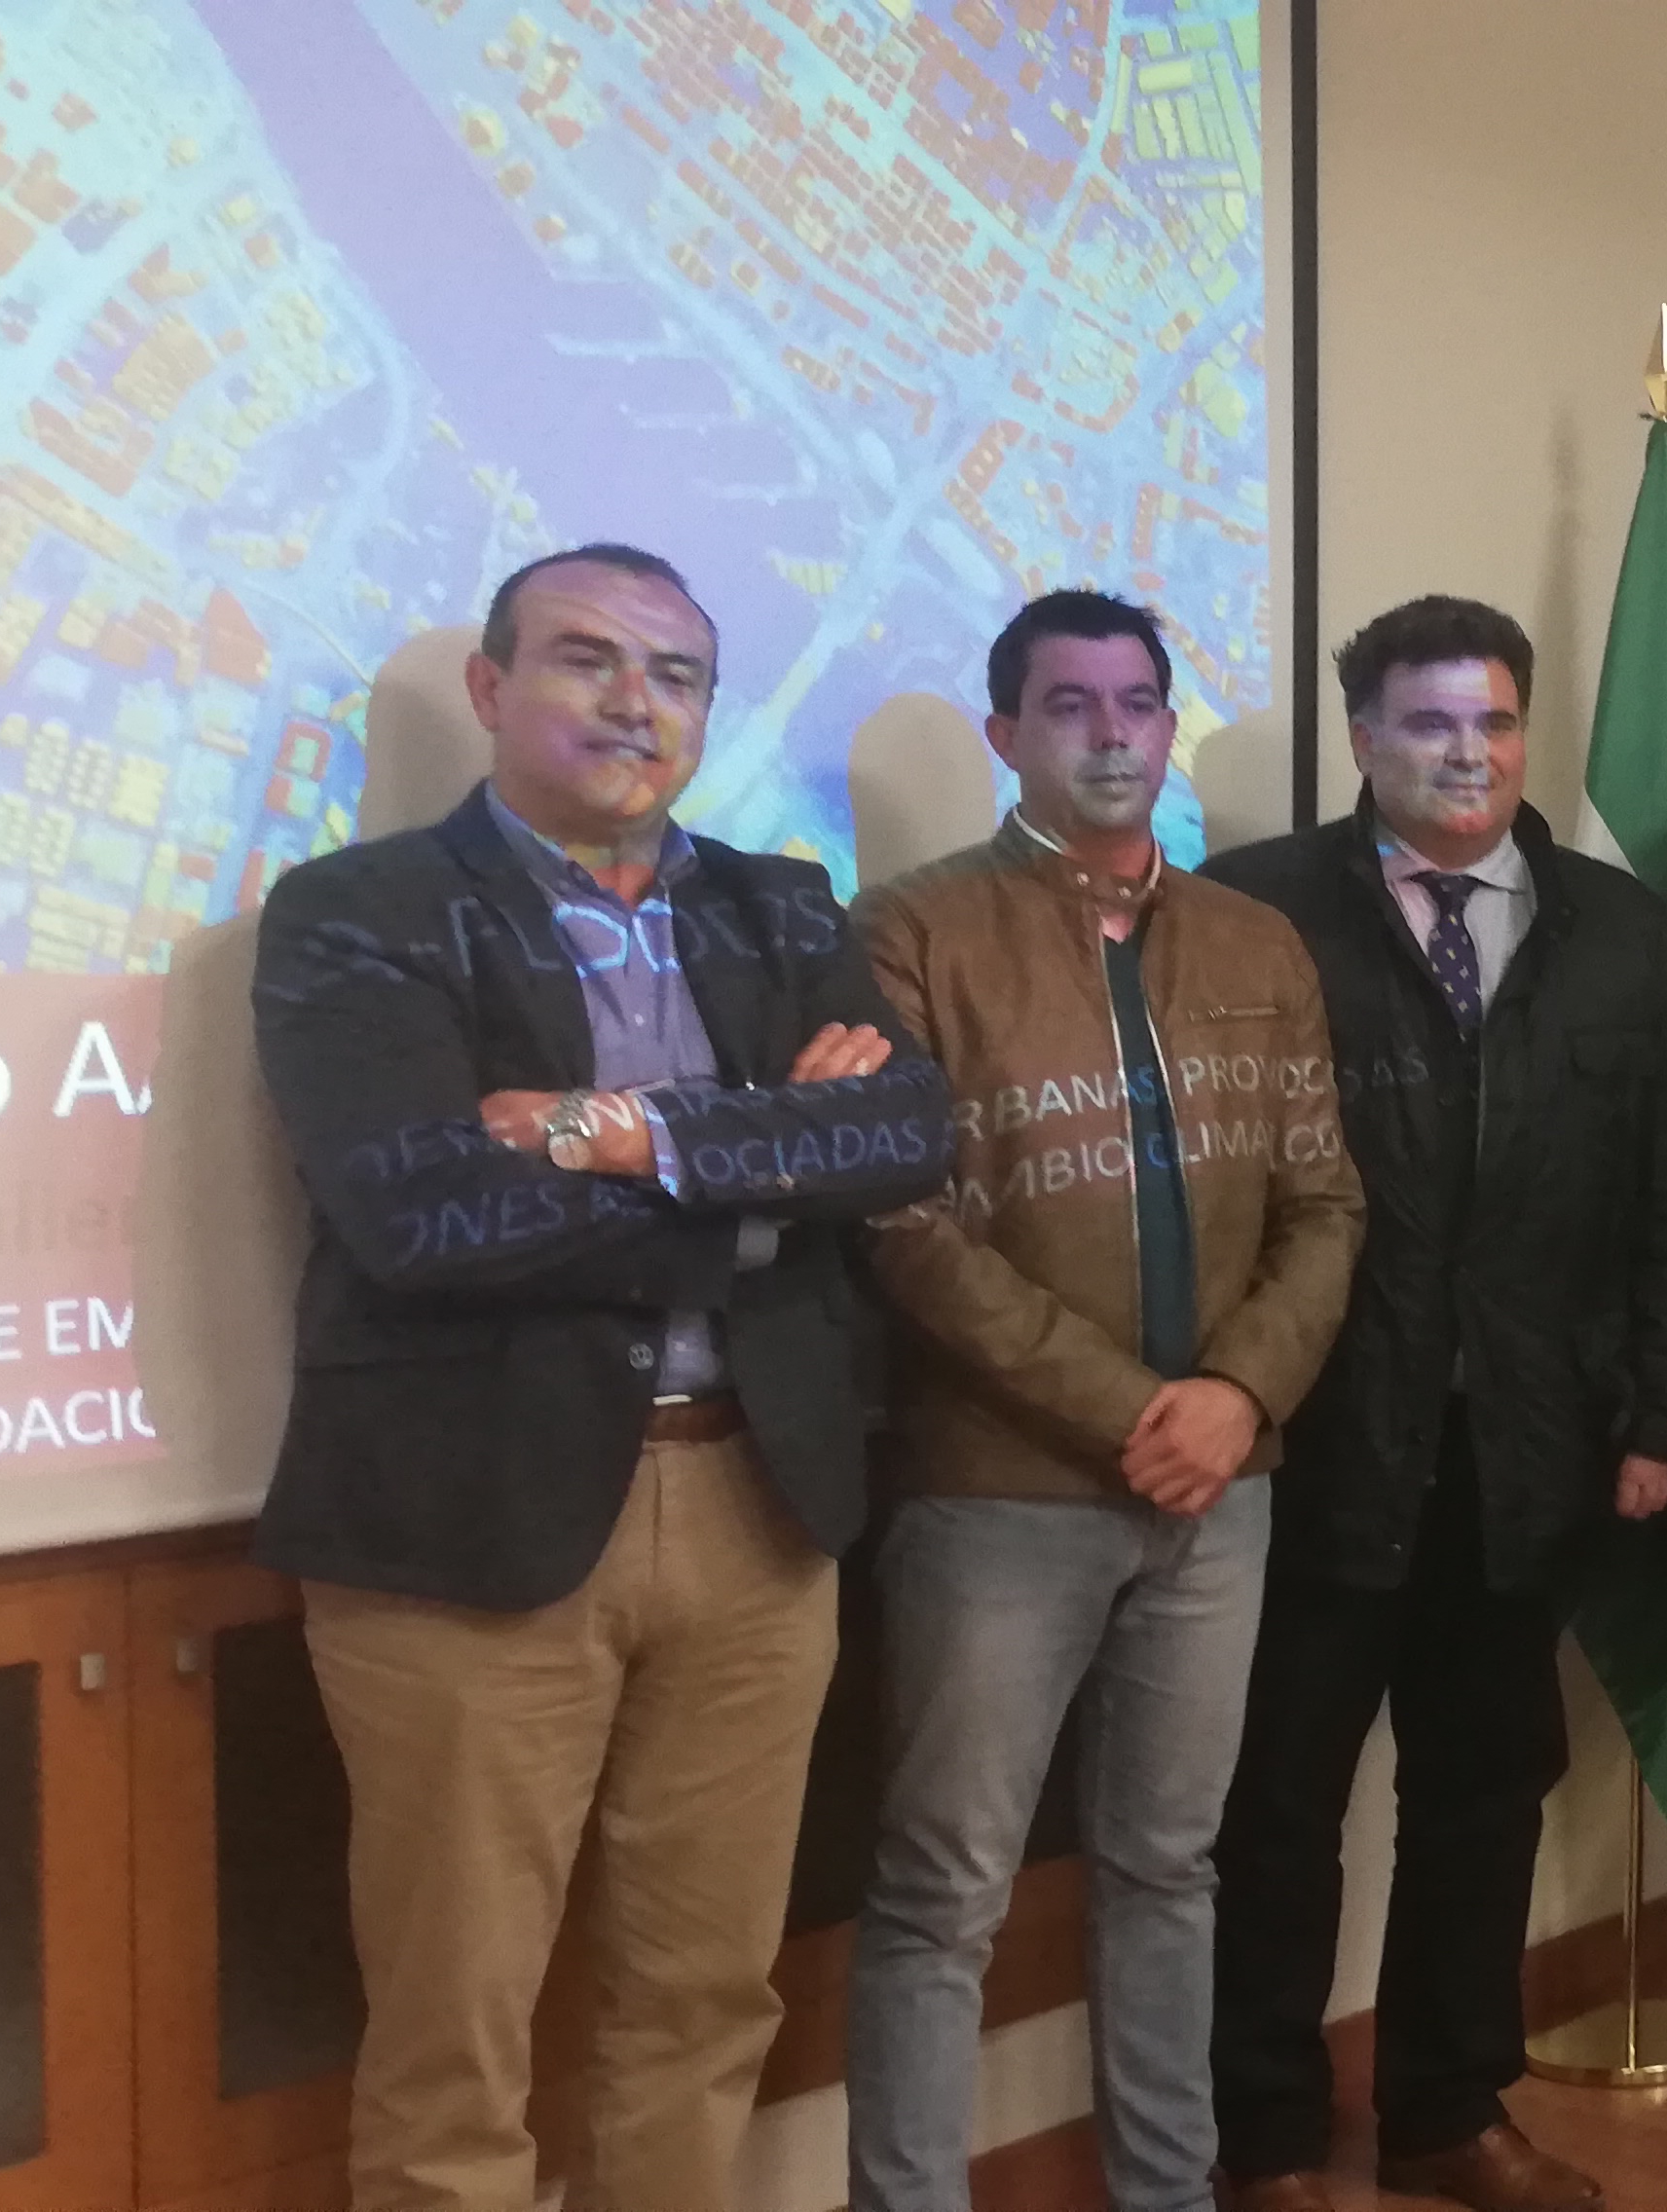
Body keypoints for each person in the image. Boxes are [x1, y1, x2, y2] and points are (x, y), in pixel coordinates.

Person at [250, 542, 951, 2212]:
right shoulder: (359, 912)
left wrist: (614, 1133)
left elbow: (906, 1134)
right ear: (492, 688)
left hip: (756, 1509)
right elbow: (423, 1213)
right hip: (467, 1526)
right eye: (587, 659)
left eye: (678, 674)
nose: (638, 702)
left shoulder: (781, 905)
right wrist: (765, 1170)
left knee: (705, 1998)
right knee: (456, 2034)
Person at [842, 590, 1363, 2212]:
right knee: (944, 1896)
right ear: (1008, 733)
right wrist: (1140, 1407)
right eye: (1070, 706)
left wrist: (1237, 1399)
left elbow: (1325, 1206)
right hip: (997, 1495)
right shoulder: (911, 933)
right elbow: (906, 1228)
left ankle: (1167, 2192)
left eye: (1137, 703)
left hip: (1221, 1494)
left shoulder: (1256, 944)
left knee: (1170, 1872)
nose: (1111, 735)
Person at [1197, 596, 1667, 2212]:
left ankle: (1446, 2111)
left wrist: (1658, 1416)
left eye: (1494, 722)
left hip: (1529, 1454)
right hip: (1316, 1444)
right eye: (1429, 723)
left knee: (1482, 1801)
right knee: (1279, 1807)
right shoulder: (1255, 912)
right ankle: (1267, 2137)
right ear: (1363, 739)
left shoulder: (1618, 930)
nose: (1468, 753)